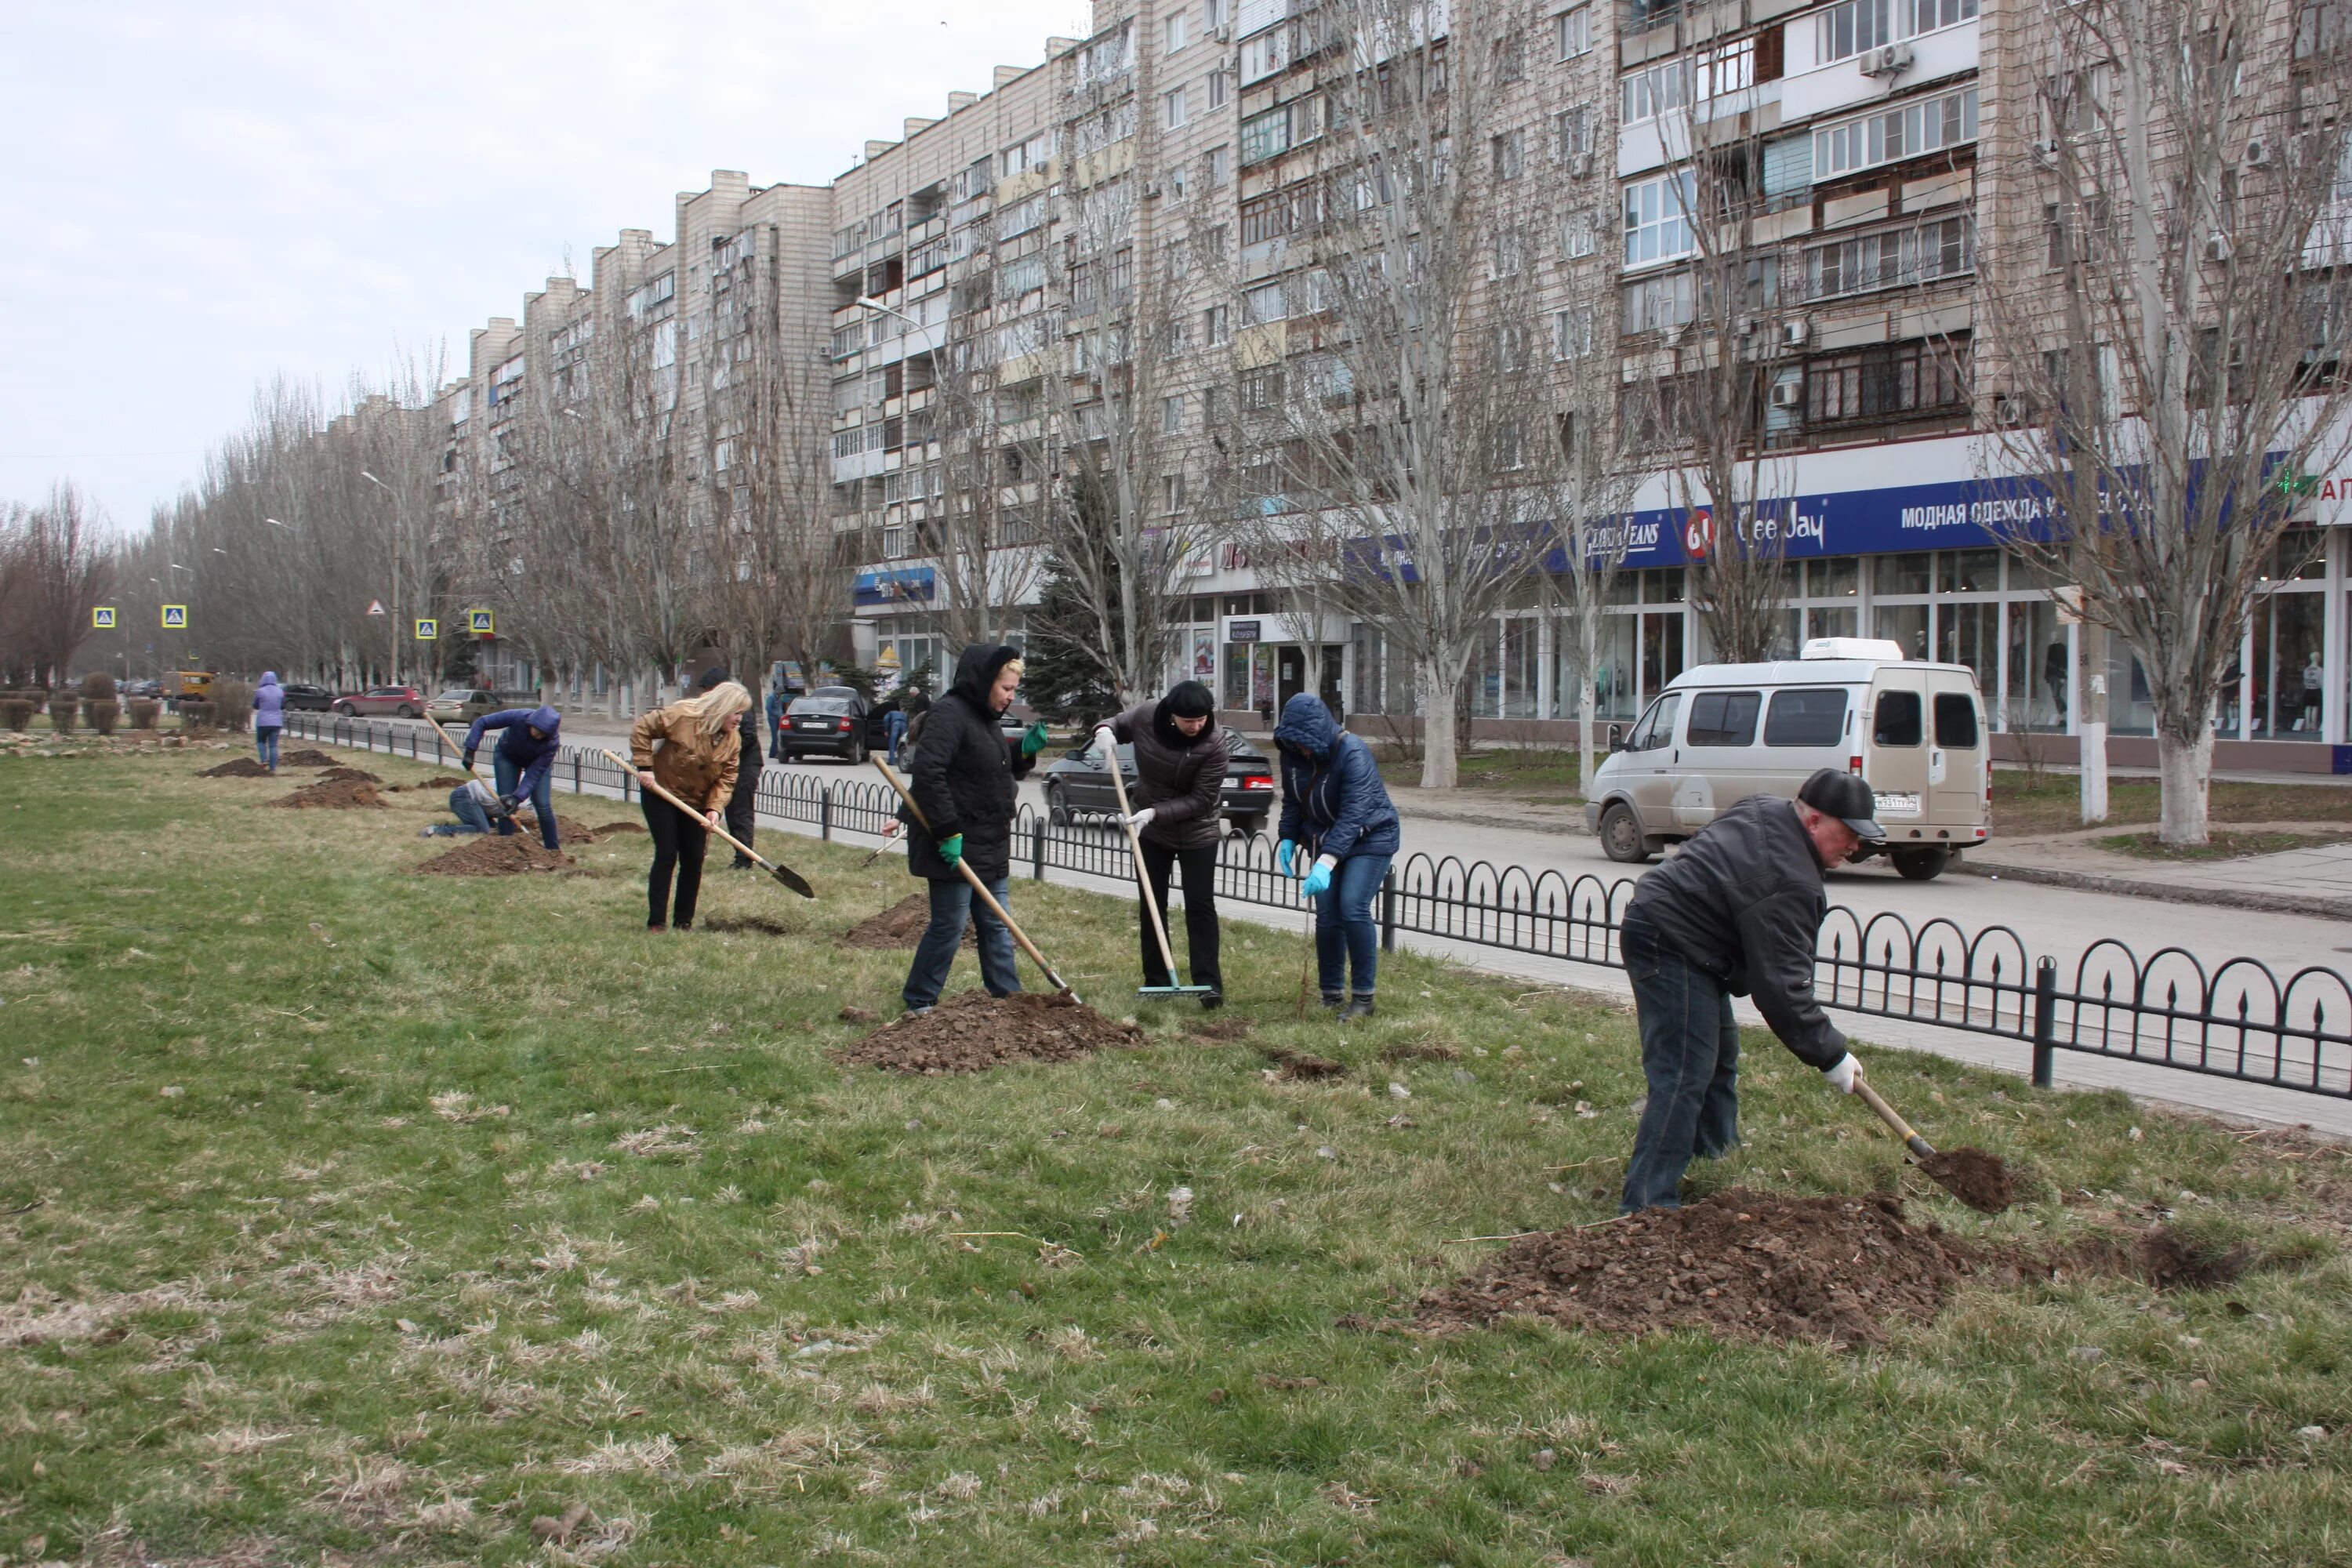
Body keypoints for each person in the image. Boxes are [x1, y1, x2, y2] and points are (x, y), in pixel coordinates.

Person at [1615, 768, 1881, 1213]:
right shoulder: (1790, 879)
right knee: (1682, 1073)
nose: (1856, 847)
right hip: (1669, 939)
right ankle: (1647, 1206)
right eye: (1848, 833)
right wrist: (1830, 1054)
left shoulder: (1765, 808)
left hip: (1685, 934)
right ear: (1814, 821)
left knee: (1719, 1057)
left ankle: (1718, 1160)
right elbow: (1781, 989)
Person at [901, 644, 1051, 1014]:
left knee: (997, 925)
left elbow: (987, 769)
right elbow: (929, 773)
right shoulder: (948, 715)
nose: (1011, 697)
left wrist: (1021, 753)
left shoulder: (986, 718)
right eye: (1006, 689)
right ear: (983, 682)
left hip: (989, 842)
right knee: (950, 926)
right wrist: (947, 831)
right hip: (955, 842)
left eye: (1015, 690)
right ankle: (920, 998)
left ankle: (1007, 998)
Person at [1093, 680, 1231, 1010]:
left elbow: (1201, 800)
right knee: (1152, 903)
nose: (1196, 727)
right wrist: (1104, 731)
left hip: (1197, 830)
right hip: (1153, 830)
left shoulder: (1215, 743)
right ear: (1172, 715)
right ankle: (1156, 979)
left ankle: (1208, 984)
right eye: (1189, 721)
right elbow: (1117, 723)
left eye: (1201, 720)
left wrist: (1154, 813)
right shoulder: (1146, 715)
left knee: (1200, 906)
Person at [1272, 691, 1401, 1021]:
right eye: (1294, 743)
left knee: (1352, 906)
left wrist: (1325, 863)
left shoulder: (1352, 752)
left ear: (1319, 734)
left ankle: (1364, 998)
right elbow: (1292, 801)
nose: (1300, 750)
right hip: (1326, 837)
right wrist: (1287, 838)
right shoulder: (1293, 755)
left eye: (1304, 743)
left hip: (1370, 836)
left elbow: (1353, 814)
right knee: (1327, 914)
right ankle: (1331, 993)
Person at [628, 681, 750, 931]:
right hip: (662, 792)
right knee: (667, 852)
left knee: (694, 858)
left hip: (697, 801)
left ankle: (683, 921)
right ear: (722, 707)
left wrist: (714, 809)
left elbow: (727, 777)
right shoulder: (683, 716)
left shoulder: (733, 740)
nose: (739, 719)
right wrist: (645, 768)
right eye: (736, 712)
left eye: (742, 714)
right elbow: (643, 728)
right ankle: (657, 922)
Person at [462, 703, 564, 852]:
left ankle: (553, 851)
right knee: (505, 803)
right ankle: (505, 849)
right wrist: (471, 750)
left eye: (543, 735)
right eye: (538, 731)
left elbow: (534, 774)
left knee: (543, 806)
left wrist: (517, 798)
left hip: (536, 764)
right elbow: (483, 722)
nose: (539, 736)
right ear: (532, 723)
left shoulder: (551, 743)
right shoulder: (519, 716)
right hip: (507, 757)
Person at [696, 666, 763, 869]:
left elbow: (748, 736)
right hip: (724, 764)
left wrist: (724, 751)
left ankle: (744, 859)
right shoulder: (714, 706)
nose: (706, 694)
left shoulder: (738, 705)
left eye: (709, 689)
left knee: (739, 812)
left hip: (744, 766)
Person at [252, 670, 286, 772]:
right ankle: (273, 768)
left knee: (261, 741)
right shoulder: (280, 691)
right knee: (273, 745)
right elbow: (283, 705)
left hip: (263, 721)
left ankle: (264, 759)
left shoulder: (260, 691)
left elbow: (255, 705)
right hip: (277, 722)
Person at [897, 680, 931, 761]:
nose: (911, 696)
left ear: (913, 693)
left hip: (923, 718)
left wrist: (918, 721)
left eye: (911, 694)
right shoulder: (924, 696)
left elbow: (920, 711)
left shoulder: (919, 698)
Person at [765, 680, 789, 762]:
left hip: (778, 718)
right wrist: (775, 714)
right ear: (777, 691)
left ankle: (774, 753)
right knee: (774, 736)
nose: (781, 694)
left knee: (778, 736)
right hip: (772, 719)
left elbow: (780, 708)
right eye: (780, 692)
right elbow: (768, 708)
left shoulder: (780, 698)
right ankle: (773, 753)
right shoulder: (771, 697)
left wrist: (782, 715)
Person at [2303, 652, 2324, 732]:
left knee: (2308, 708)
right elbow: (2322, 682)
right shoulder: (2320, 670)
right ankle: (2313, 725)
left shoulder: (2306, 670)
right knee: (2315, 708)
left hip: (2308, 690)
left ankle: (2308, 725)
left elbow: (2305, 681)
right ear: (2318, 658)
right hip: (2317, 689)